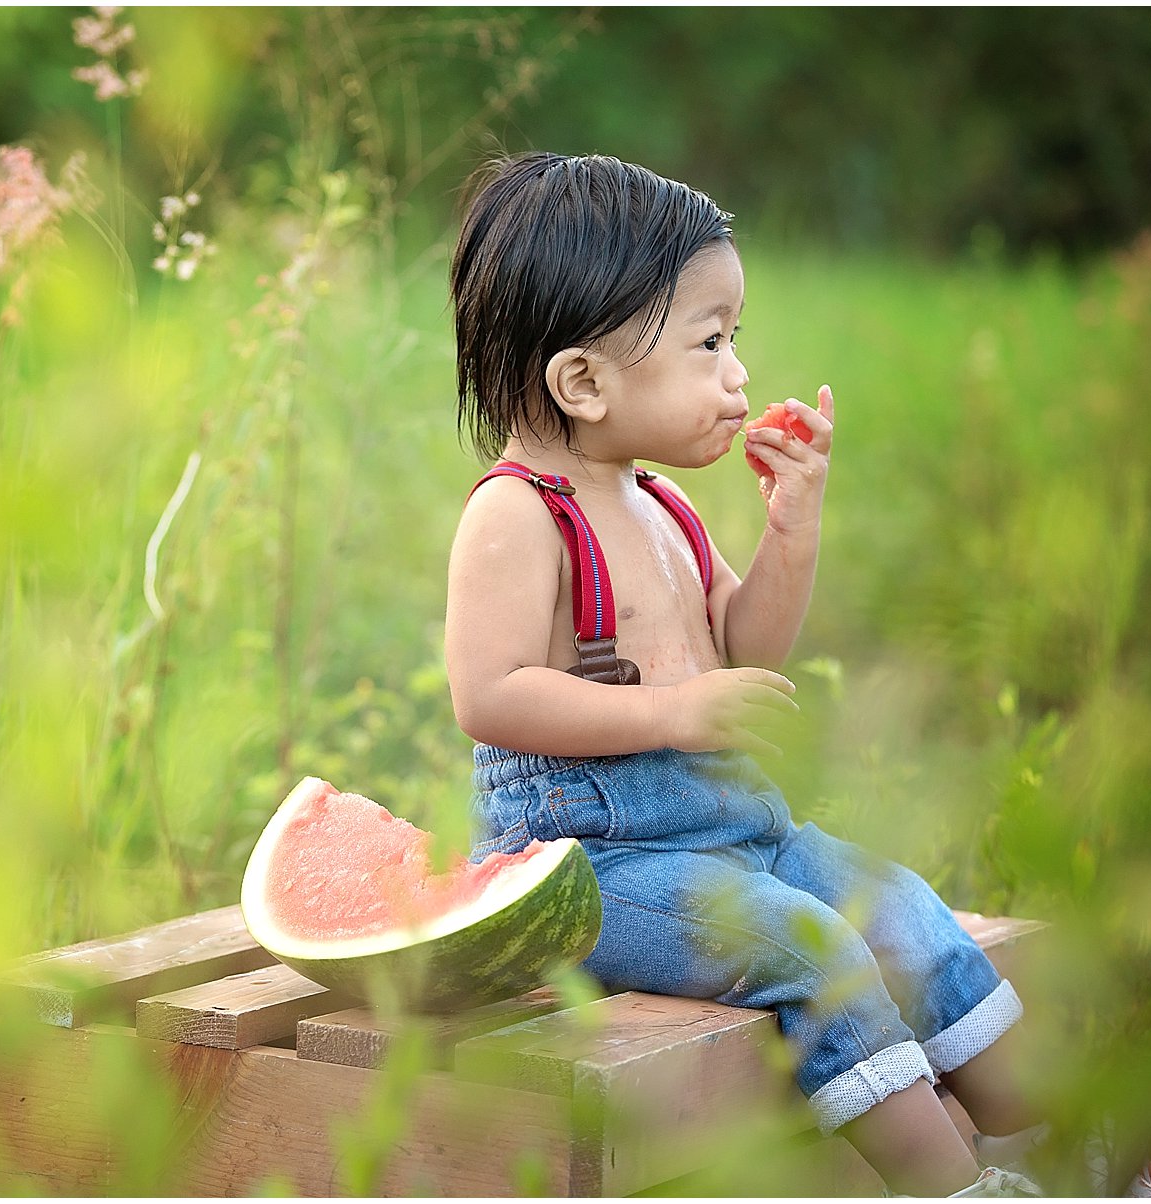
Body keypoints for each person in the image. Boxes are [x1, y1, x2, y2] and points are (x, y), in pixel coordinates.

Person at [444, 151, 1047, 1198]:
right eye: (711, 342)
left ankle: (1051, 1146)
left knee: (891, 902)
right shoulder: (516, 513)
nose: (739, 376)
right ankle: (963, 1187)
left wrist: (791, 532)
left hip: (736, 831)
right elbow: (487, 694)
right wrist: (672, 711)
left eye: (738, 340)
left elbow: (744, 644)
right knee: (805, 938)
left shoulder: (660, 501)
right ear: (583, 381)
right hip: (592, 864)